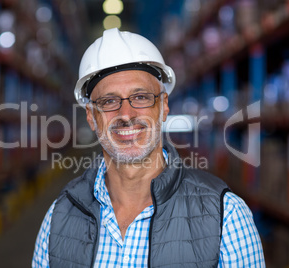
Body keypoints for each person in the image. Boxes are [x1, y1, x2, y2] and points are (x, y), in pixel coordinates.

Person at [32, 28, 265, 268]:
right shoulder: (59, 217)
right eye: (109, 101)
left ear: (163, 106)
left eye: (141, 97)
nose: (126, 115)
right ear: (91, 116)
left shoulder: (225, 217)